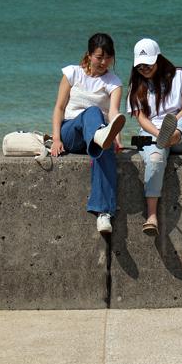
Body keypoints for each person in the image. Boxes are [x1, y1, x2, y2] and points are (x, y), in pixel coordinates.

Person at [50, 32, 126, 235]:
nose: (104, 62)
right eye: (99, 57)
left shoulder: (114, 82)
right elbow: (59, 107)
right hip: (71, 132)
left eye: (108, 58)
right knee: (92, 112)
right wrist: (56, 138)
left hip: (95, 136)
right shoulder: (72, 73)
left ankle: (104, 215)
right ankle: (101, 136)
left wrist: (116, 138)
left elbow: (113, 113)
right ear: (89, 54)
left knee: (104, 145)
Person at [127, 37, 182, 236]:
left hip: (180, 132)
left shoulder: (180, 75)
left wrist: (172, 128)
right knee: (156, 159)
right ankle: (151, 216)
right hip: (153, 133)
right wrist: (159, 135)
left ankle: (171, 137)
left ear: (158, 58)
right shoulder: (136, 86)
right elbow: (141, 119)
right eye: (139, 66)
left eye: (147, 64)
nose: (144, 68)